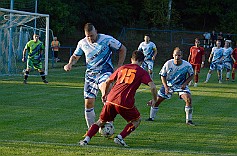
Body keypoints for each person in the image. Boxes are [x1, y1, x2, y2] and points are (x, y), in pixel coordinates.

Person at [79, 50, 157, 147]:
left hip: (111, 98)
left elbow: (108, 81)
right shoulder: (142, 72)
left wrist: (105, 94)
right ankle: (120, 137)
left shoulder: (122, 68)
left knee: (100, 121)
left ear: (131, 59)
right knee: (136, 120)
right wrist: (154, 100)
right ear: (142, 61)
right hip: (125, 101)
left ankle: (86, 140)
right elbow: (153, 87)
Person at [64, 23, 126, 131]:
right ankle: (91, 130)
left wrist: (119, 66)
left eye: (91, 35)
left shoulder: (107, 39)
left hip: (105, 72)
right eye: (88, 36)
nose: (90, 38)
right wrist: (70, 64)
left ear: (96, 31)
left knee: (105, 93)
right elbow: (75, 56)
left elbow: (122, 49)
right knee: (88, 103)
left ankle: (109, 123)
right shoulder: (82, 43)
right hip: (90, 76)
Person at [146, 47, 195, 126]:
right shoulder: (168, 63)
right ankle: (151, 118)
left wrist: (185, 83)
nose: (177, 57)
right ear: (173, 55)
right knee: (157, 101)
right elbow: (163, 76)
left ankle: (188, 120)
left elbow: (192, 75)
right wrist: (165, 87)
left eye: (179, 55)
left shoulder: (187, 65)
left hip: (180, 86)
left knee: (188, 99)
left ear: (181, 56)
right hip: (169, 85)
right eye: (175, 55)